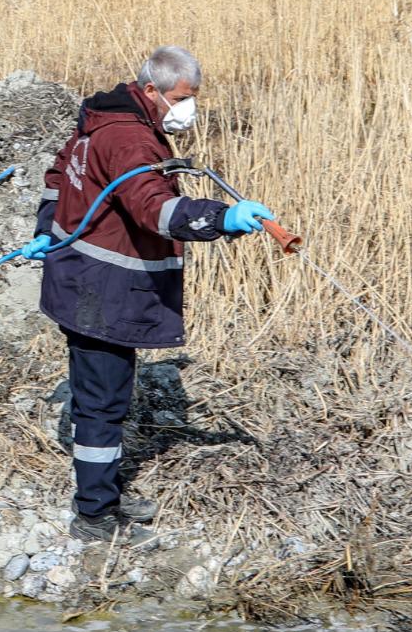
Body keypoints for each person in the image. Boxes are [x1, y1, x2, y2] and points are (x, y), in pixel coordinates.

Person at [35, 46, 273, 543]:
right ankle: (95, 515)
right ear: (150, 91)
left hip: (84, 278)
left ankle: (105, 493)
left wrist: (47, 228)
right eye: (183, 98)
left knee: (109, 397)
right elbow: (155, 212)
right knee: (101, 404)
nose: (189, 108)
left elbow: (59, 176)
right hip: (97, 290)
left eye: (194, 97)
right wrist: (220, 218)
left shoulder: (106, 121)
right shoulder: (129, 140)